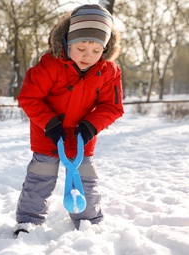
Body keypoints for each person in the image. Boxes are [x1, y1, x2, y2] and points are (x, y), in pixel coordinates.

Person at [14, 4, 124, 235]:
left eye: (96, 50)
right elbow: (29, 97)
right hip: (49, 134)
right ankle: (29, 221)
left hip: (82, 137)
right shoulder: (50, 65)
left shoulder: (108, 71)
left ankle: (88, 222)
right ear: (67, 42)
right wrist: (50, 123)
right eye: (81, 47)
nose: (88, 56)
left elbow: (112, 107)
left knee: (84, 178)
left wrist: (91, 125)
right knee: (40, 177)